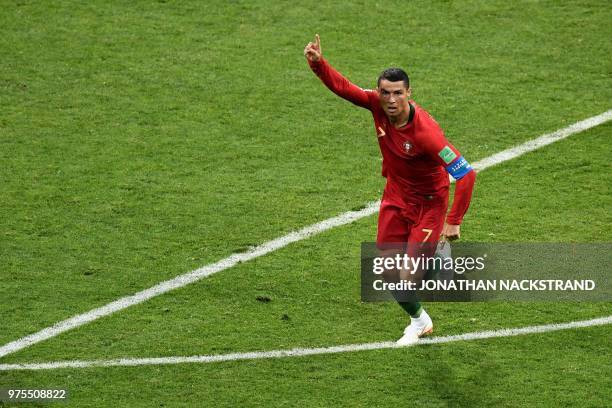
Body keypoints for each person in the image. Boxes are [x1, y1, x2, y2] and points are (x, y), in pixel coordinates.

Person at [304, 34, 476, 345]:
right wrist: (318, 65)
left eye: (398, 93)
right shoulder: (378, 106)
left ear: (409, 93)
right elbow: (346, 89)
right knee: (386, 273)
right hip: (396, 197)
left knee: (410, 276)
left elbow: (465, 174)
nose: (391, 99)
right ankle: (420, 321)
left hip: (428, 205)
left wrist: (454, 220)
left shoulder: (426, 134)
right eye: (385, 92)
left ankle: (439, 257)